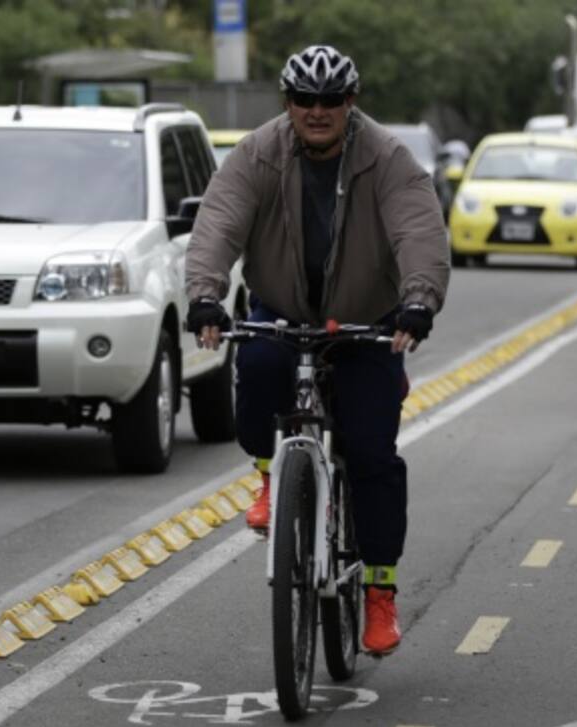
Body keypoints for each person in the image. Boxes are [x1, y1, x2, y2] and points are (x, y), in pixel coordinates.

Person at [184, 44, 450, 656]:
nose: (318, 111)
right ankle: (269, 478)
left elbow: (418, 230)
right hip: (281, 308)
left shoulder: (386, 157)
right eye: (306, 99)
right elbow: (219, 224)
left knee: (371, 454)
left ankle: (380, 592)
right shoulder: (257, 153)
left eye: (332, 100)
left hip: (366, 319)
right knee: (255, 364)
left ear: (350, 103)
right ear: (289, 102)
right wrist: (205, 296)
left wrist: (419, 300)